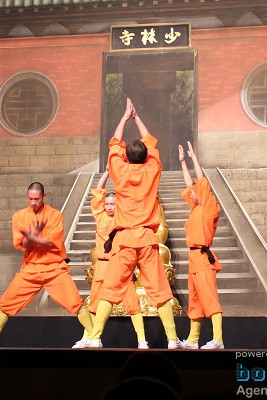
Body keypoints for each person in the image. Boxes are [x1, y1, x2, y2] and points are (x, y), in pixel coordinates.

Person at [79, 98, 179, 349]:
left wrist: (124, 118)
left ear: (126, 157)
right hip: (146, 238)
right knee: (160, 289)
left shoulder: (119, 171)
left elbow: (113, 144)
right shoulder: (152, 168)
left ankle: (94, 337)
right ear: (147, 157)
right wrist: (137, 118)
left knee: (111, 289)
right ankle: (173, 339)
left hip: (124, 241)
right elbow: (151, 141)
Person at [0, 181, 92, 346]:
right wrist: (29, 239)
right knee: (5, 304)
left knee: (76, 303)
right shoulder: (19, 216)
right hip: (31, 269)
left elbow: (52, 242)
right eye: (30, 199)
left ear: (43, 197)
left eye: (36, 199)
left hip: (54, 268)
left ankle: (93, 337)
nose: (33, 202)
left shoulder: (55, 215)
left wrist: (34, 237)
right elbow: (21, 245)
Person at [74, 169, 147, 349]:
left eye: (113, 204)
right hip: (101, 266)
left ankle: (142, 340)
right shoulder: (100, 216)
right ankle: (89, 337)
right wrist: (107, 173)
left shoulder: (123, 219)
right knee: (94, 304)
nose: (109, 206)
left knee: (133, 304)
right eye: (107, 203)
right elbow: (99, 190)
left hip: (120, 267)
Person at [176, 141, 224, 350]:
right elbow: (191, 185)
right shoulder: (196, 208)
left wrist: (194, 158)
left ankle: (218, 340)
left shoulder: (209, 207)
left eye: (197, 190)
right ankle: (193, 339)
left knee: (210, 299)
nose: (192, 191)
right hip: (193, 259)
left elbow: (201, 182)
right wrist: (182, 163)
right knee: (194, 301)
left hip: (203, 259)